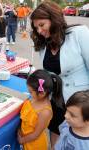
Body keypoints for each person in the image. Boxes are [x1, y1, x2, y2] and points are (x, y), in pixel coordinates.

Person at [30, 1, 89, 147]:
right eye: (36, 27)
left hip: (78, 104)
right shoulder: (44, 43)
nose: (39, 31)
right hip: (55, 101)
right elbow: (48, 74)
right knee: (56, 140)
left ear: (54, 19)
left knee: (76, 142)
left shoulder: (79, 33)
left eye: (42, 25)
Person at [17, 69, 64, 150]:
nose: (29, 94)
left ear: (42, 93)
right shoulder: (35, 98)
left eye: (31, 92)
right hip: (26, 139)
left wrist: (21, 140)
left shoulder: (45, 112)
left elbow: (35, 134)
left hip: (34, 145)